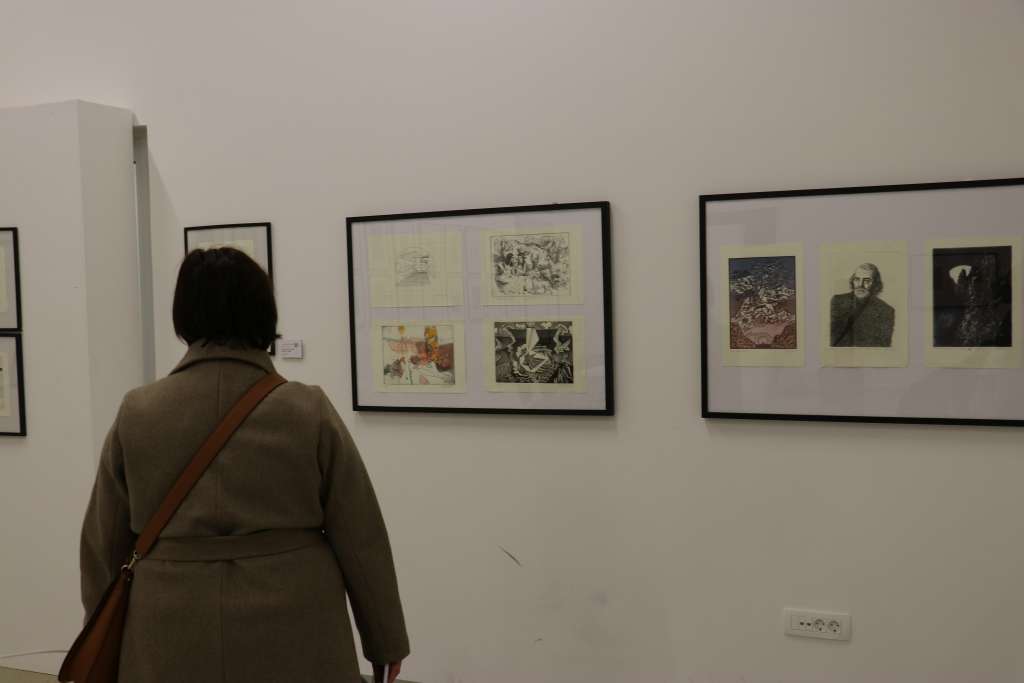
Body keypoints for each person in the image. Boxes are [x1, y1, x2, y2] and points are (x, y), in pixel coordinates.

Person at [79, 248, 409, 683]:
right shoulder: (306, 409)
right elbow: (360, 535)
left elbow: (104, 542)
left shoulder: (138, 411)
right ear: (264, 313)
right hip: (295, 621)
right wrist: (385, 641)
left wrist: (99, 635)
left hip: (168, 626)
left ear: (183, 316)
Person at [829, 262, 894, 347]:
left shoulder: (886, 311)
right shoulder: (836, 302)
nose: (860, 285)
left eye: (867, 281)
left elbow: (882, 347)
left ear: (876, 283)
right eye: (857, 279)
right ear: (853, 281)